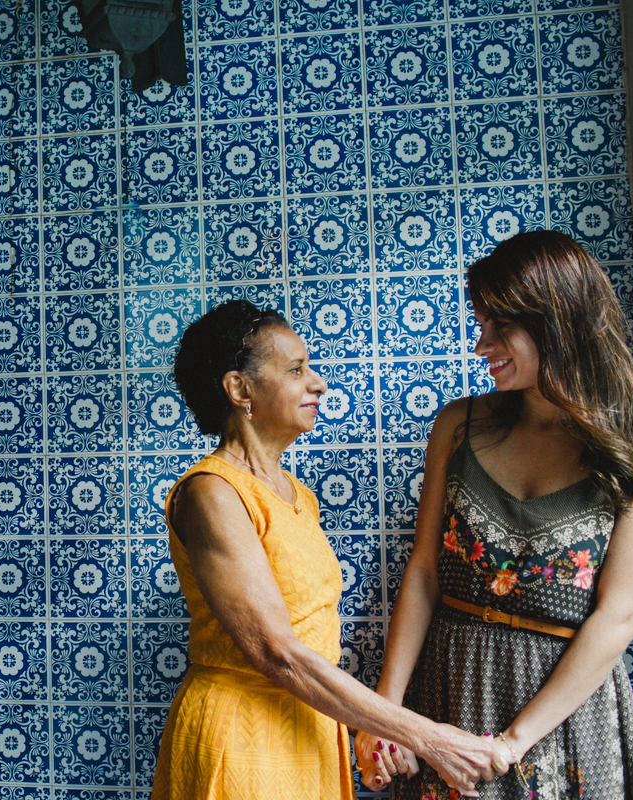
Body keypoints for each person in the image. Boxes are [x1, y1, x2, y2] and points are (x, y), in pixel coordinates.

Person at [353, 230, 633, 799]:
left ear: (558, 320)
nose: (482, 345)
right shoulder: (458, 426)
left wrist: (512, 741)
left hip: (566, 712)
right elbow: (425, 573)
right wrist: (389, 716)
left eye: (500, 327)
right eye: (482, 325)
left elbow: (621, 616)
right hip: (449, 686)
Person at [151, 300, 505, 800]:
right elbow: (279, 653)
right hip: (242, 736)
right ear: (239, 389)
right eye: (296, 370)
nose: (317, 383)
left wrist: (370, 727)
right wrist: (427, 737)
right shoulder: (212, 494)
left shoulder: (298, 495)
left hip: (312, 730)